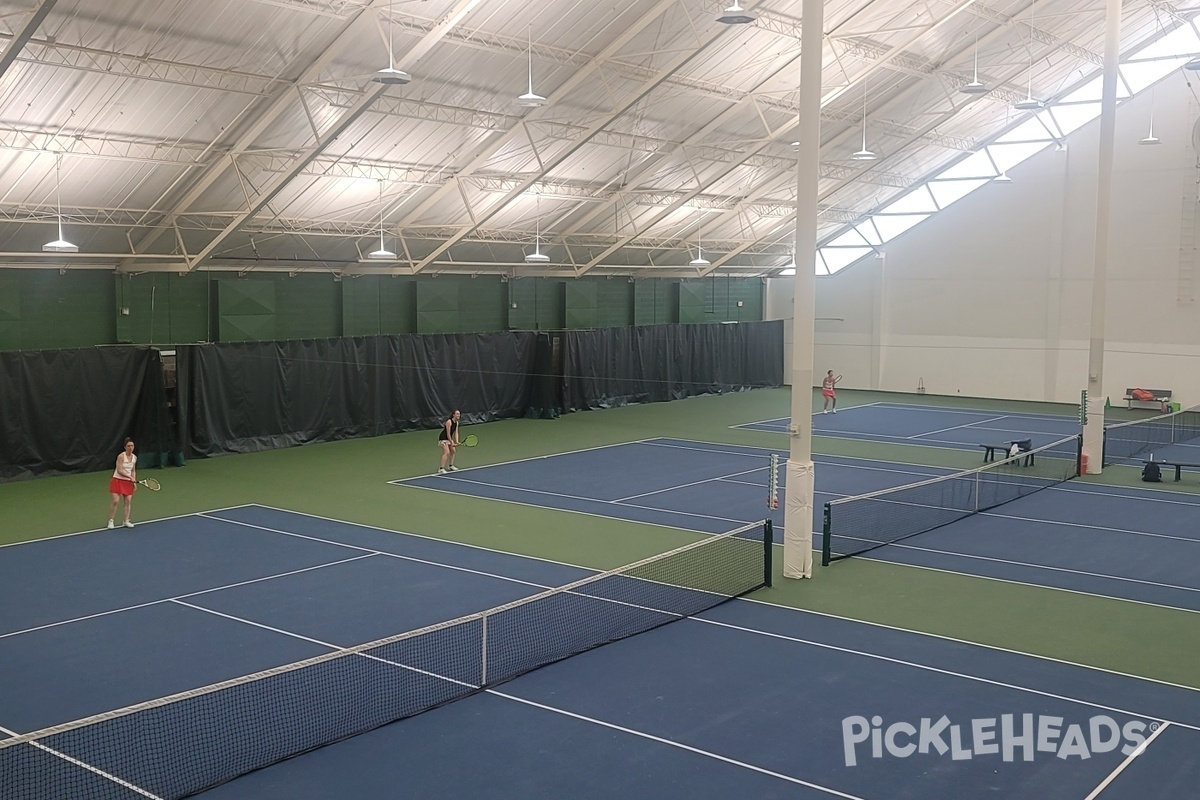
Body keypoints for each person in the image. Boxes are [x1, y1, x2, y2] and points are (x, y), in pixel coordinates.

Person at [107, 438, 137, 529]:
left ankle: (126, 521)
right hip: (117, 480)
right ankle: (111, 521)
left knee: (128, 501)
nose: (130, 448)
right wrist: (130, 477)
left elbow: (133, 470)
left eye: (132, 446)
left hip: (128, 482)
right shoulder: (121, 456)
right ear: (125, 447)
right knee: (116, 501)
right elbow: (119, 470)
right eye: (128, 446)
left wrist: (134, 481)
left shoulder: (134, 457)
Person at [438, 410, 461, 474]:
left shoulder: (456, 422)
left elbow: (456, 433)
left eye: (459, 414)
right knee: (447, 452)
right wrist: (452, 442)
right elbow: (448, 434)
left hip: (449, 438)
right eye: (457, 414)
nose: (458, 415)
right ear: (453, 415)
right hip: (443, 438)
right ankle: (441, 469)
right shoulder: (449, 422)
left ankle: (451, 466)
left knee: (453, 451)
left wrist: (457, 441)